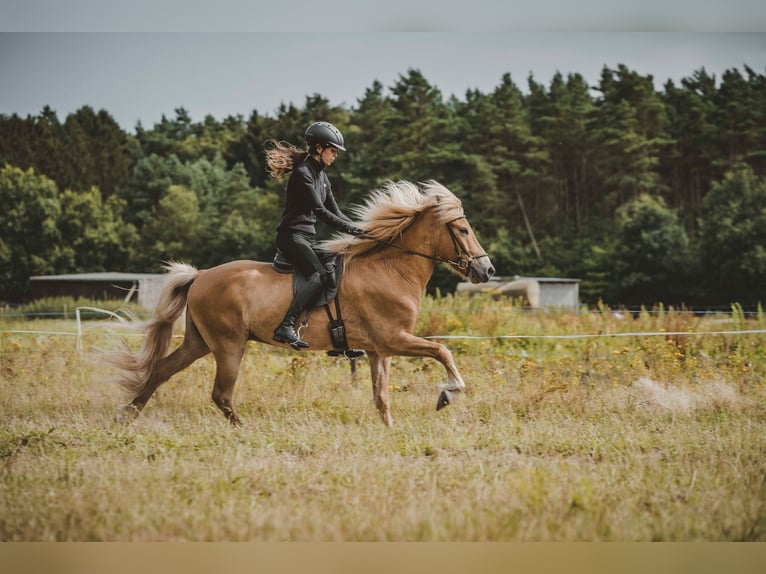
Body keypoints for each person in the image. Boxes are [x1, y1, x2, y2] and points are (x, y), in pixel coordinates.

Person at [265, 121, 365, 349]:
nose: (335, 156)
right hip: (292, 236)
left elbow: (336, 212)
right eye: (332, 151)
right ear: (318, 148)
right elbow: (320, 211)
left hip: (308, 238)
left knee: (337, 267)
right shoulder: (303, 174)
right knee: (317, 276)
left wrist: (362, 230)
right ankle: (286, 326)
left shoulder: (322, 177)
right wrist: (353, 230)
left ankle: (340, 335)